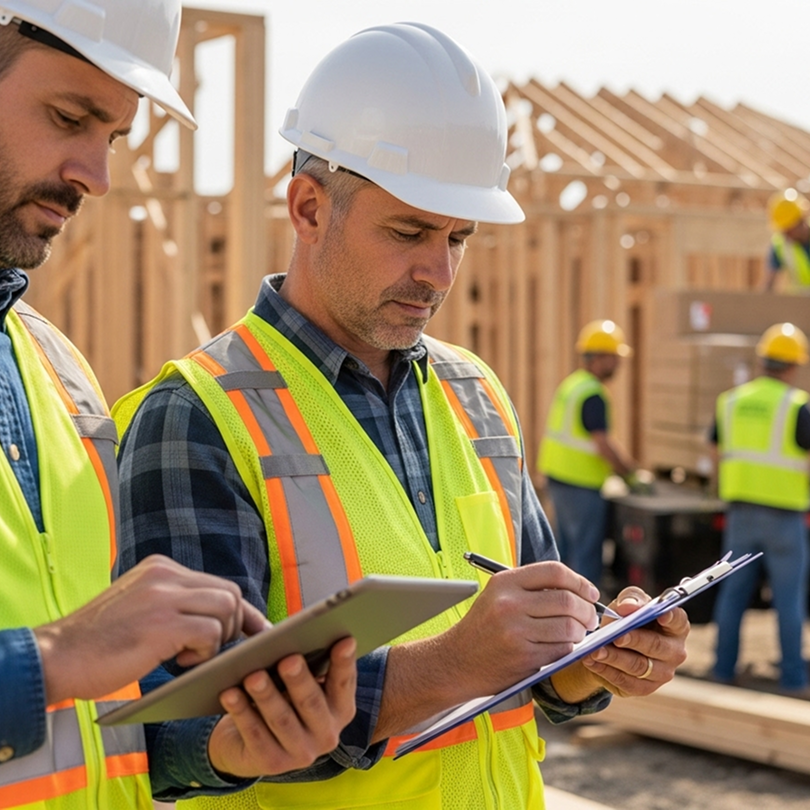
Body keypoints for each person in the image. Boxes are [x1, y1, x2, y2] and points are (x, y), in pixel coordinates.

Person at [114, 23, 690, 809]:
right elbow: (176, 735)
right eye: (409, 231)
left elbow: (532, 664)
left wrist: (590, 658)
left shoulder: (475, 393)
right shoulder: (196, 414)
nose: (438, 272)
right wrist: (452, 662)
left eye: (459, 237)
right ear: (310, 207)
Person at [0, 2, 356, 807]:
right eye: (69, 117)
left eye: (114, 137)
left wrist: (229, 748)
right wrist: (53, 657)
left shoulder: (59, 371)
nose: (98, 173)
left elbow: (96, 731)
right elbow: (67, 663)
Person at [708, 323, 810, 698]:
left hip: (741, 513)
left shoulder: (731, 400)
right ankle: (793, 680)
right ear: (793, 366)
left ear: (762, 361)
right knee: (789, 599)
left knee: (733, 594)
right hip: (784, 517)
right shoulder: (795, 403)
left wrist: (717, 488)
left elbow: (713, 449)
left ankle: (722, 671)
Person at [537, 319, 647, 586]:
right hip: (580, 485)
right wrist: (631, 474)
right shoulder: (592, 394)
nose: (619, 364)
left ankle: (561, 614)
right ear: (598, 358)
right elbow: (603, 444)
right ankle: (587, 621)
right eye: (614, 357)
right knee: (586, 557)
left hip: (560, 479)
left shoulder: (573, 385)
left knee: (564, 554)